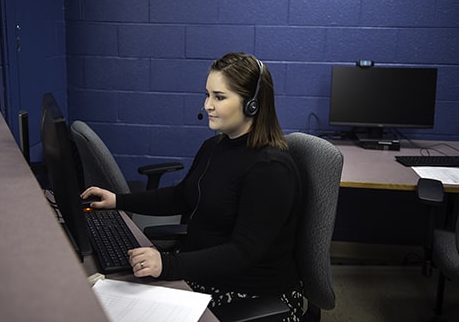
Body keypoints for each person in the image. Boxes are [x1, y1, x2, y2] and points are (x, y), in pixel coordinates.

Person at [81, 52, 303, 321]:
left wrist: (167, 264)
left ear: (253, 104)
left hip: (248, 293)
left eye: (219, 97)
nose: (207, 105)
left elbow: (244, 252)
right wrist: (118, 201)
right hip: (207, 273)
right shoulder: (215, 146)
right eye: (207, 94)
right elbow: (181, 197)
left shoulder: (270, 168)